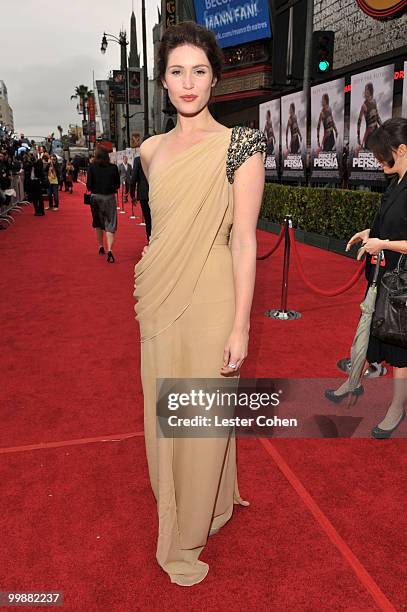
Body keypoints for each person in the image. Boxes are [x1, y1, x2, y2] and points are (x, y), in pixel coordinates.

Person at [133, 21, 267, 586]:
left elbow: (243, 238)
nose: (188, 83)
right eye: (177, 71)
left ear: (216, 79)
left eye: (200, 71)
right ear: (163, 82)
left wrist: (240, 325)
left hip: (214, 293)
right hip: (159, 295)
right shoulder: (148, 150)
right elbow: (159, 230)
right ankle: (200, 501)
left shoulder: (242, 145)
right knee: (167, 416)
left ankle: (186, 536)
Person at [327, 118, 407, 439]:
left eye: (380, 156)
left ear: (401, 150)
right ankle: (353, 380)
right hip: (382, 275)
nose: (376, 162)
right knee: (367, 327)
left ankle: (397, 408)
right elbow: (392, 223)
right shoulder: (397, 181)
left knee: (400, 352)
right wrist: (369, 234)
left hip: (401, 285)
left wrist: (383, 243)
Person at [86, 145, 120, 263]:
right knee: (110, 222)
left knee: (98, 222)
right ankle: (110, 250)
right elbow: (117, 185)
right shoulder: (113, 168)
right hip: (109, 197)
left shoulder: (91, 167)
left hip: (95, 197)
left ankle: (101, 246)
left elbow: (88, 185)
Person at [130, 142, 151, 241]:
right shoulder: (157, 157)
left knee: (148, 219)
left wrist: (132, 195)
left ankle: (150, 241)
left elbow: (133, 179)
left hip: (143, 193)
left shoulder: (138, 160)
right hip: (157, 192)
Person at [357, 82, 382, 150]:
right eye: (365, 89)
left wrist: (383, 127)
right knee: (369, 151)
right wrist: (358, 136)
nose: (365, 91)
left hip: (376, 131)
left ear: (370, 90)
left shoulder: (374, 102)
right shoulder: (364, 106)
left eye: (367, 89)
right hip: (369, 133)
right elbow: (359, 121)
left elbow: (377, 116)